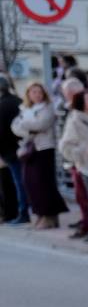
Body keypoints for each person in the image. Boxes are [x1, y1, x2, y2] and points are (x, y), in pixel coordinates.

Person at [9, 82, 65, 230]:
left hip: (44, 149)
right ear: (28, 94)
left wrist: (25, 125)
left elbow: (40, 124)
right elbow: (15, 126)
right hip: (29, 149)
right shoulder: (25, 108)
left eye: (39, 92)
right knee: (30, 184)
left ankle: (49, 216)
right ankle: (40, 214)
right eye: (33, 92)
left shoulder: (47, 108)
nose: (37, 95)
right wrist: (28, 129)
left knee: (43, 184)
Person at [57, 82, 88, 241]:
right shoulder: (74, 116)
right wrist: (81, 152)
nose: (66, 95)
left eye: (69, 93)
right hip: (81, 163)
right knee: (84, 198)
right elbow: (66, 144)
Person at [0, 75, 23, 224]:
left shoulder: (2, 104)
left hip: (6, 150)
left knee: (7, 184)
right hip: (21, 147)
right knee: (17, 183)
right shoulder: (19, 101)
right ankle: (17, 212)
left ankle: (10, 213)